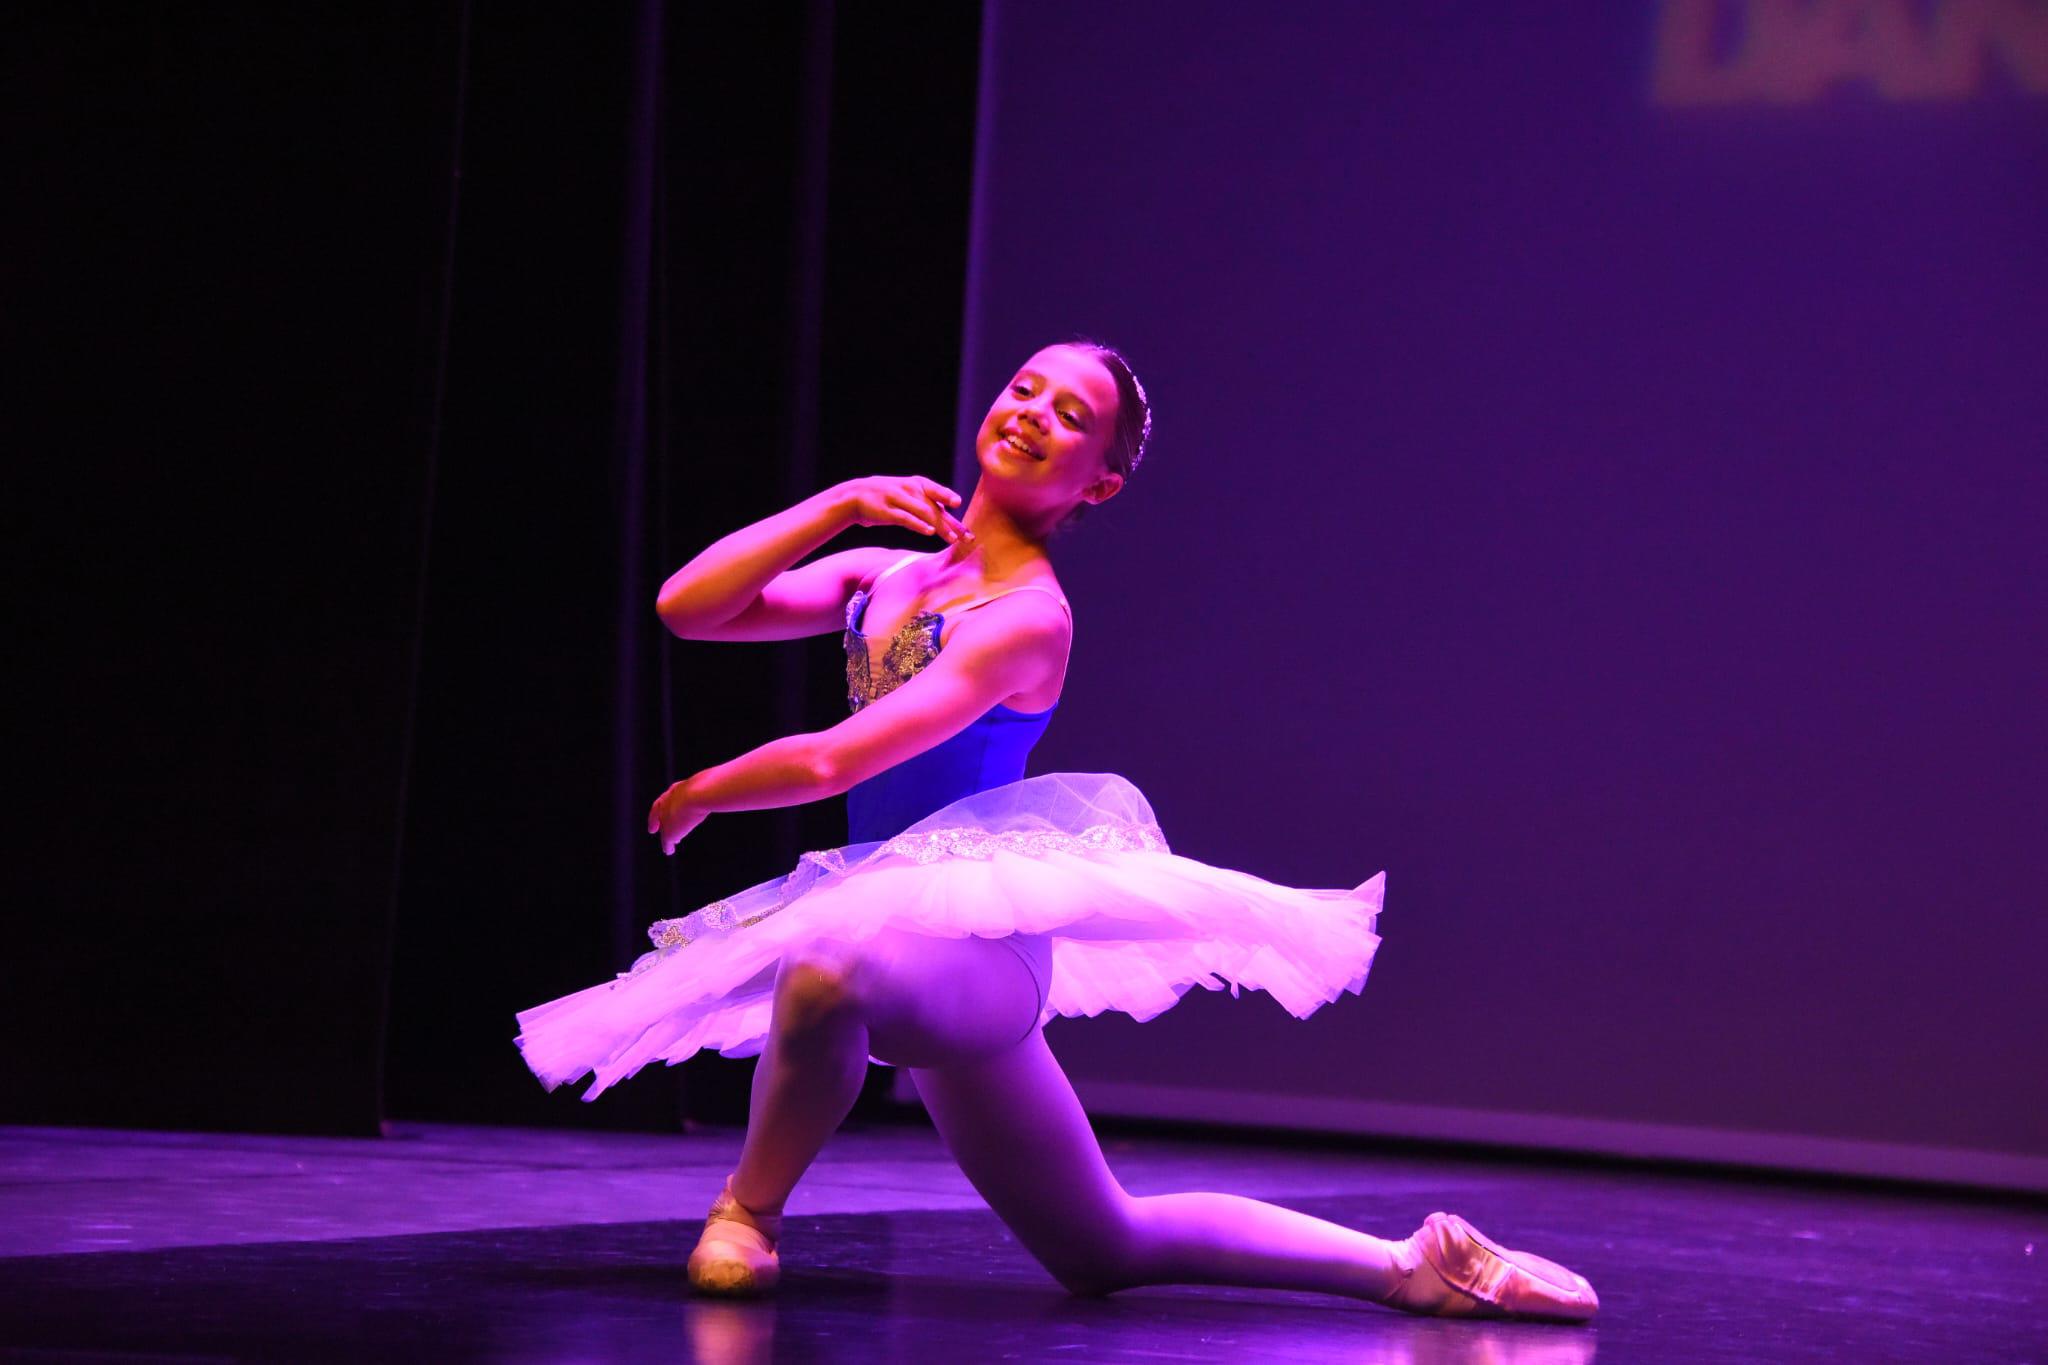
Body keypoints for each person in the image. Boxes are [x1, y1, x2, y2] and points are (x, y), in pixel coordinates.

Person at [513, 338, 1600, 1324]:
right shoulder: (888, 575)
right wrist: (839, 505)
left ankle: (747, 1212)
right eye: (1025, 389)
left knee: (826, 968)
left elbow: (841, 759)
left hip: (978, 952)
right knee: (1101, 1246)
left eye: (1070, 416)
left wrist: (707, 785)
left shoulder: (1027, 618)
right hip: (901, 935)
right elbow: (690, 606)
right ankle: (1412, 1265)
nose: (1034, 412)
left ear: (1100, 482)